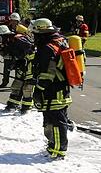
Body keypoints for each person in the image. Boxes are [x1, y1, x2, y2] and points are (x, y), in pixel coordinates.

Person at [31, 18, 73, 158]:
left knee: (55, 121)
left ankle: (57, 151)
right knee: (56, 118)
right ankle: (54, 147)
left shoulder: (48, 48)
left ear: (41, 32)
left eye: (35, 33)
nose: (34, 36)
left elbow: (47, 73)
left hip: (54, 89)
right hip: (60, 87)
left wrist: (38, 89)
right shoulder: (60, 41)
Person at [0, 24, 35, 112]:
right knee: (17, 84)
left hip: (31, 65)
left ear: (4, 35)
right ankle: (12, 105)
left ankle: (26, 107)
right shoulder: (9, 42)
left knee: (28, 86)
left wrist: (25, 61)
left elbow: (32, 50)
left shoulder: (18, 39)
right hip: (22, 65)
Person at [0, 11, 28, 88]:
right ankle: (5, 82)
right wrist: (2, 49)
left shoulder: (23, 29)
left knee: (19, 68)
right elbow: (3, 39)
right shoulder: (7, 28)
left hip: (19, 51)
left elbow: (28, 39)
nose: (13, 22)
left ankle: (17, 83)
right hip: (9, 50)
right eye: (12, 20)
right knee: (6, 67)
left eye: (15, 21)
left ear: (18, 21)